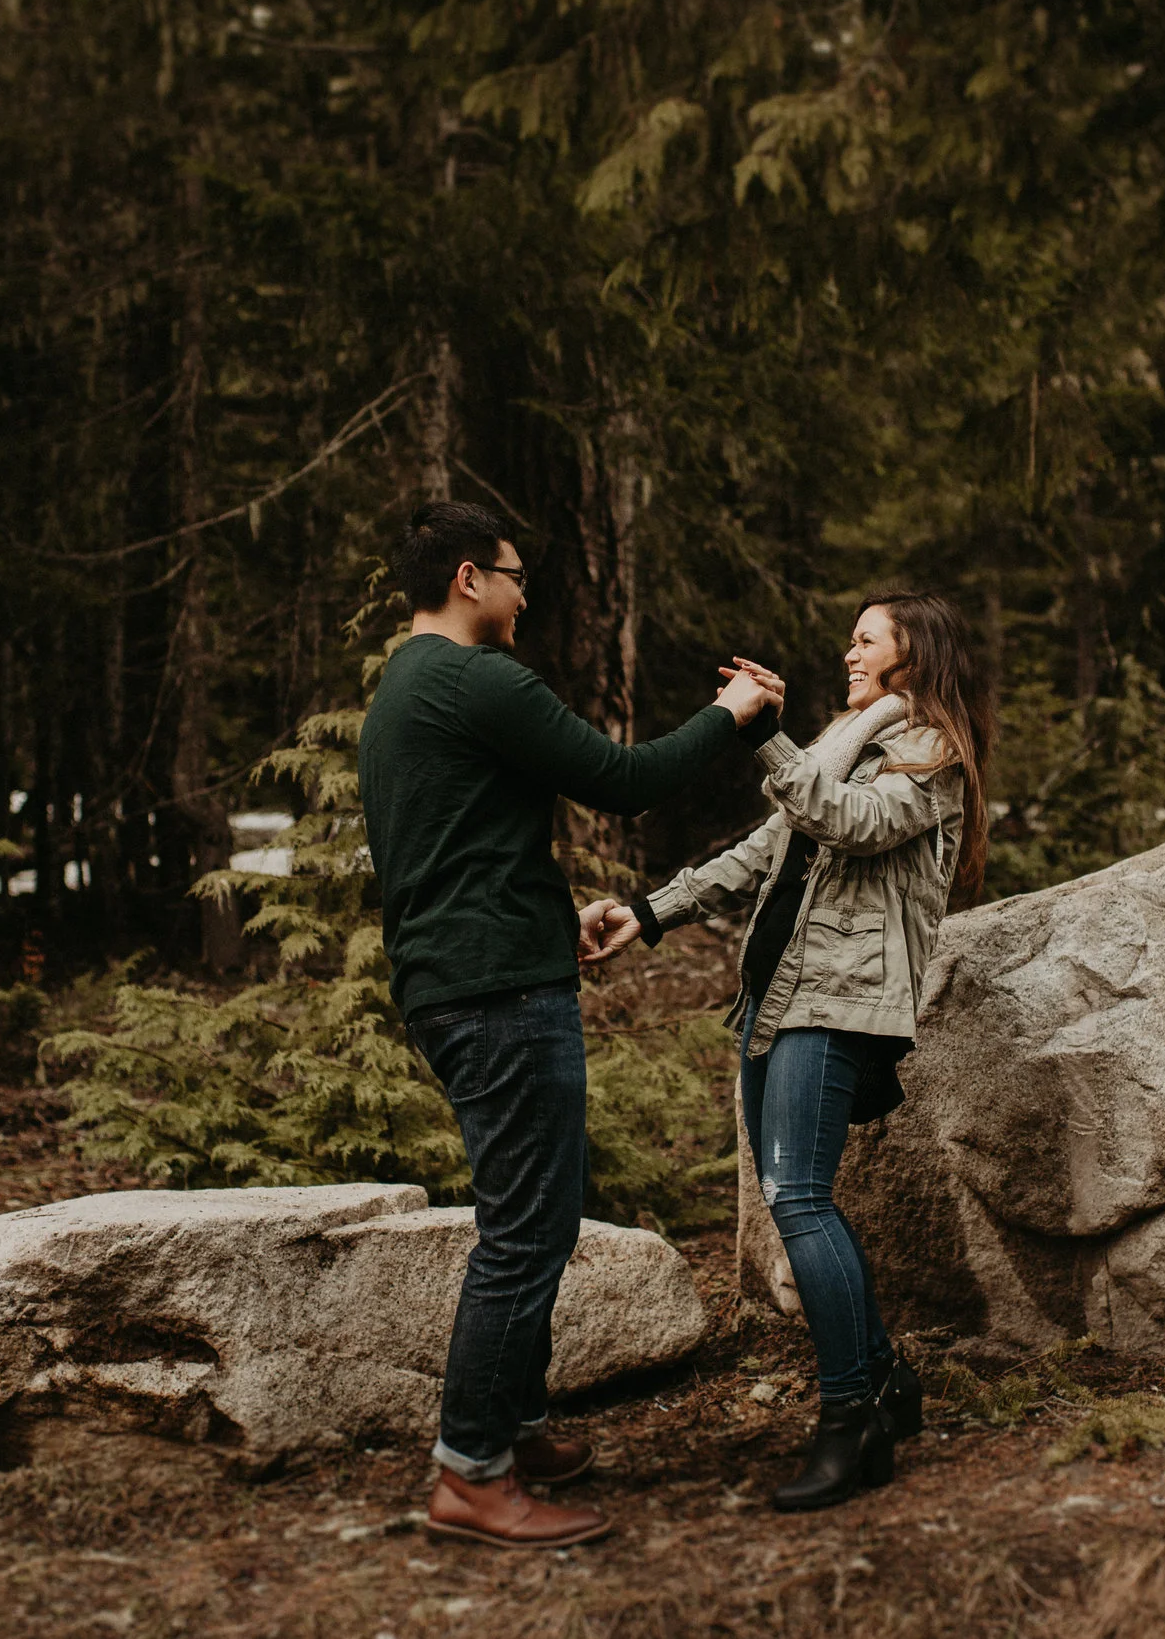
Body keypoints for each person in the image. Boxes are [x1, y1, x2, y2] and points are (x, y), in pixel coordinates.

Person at [358, 498, 782, 1550]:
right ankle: (469, 1472)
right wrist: (731, 715)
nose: (522, 591)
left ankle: (517, 1420)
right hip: (496, 988)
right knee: (524, 1232)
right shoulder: (477, 677)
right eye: (511, 574)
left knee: (534, 1209)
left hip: (461, 976)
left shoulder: (403, 687)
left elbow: (463, 844)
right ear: (467, 580)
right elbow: (621, 781)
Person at [579, 591, 992, 1511]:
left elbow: (848, 821)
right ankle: (883, 1380)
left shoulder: (932, 759)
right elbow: (765, 847)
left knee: (799, 1198)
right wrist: (644, 914)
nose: (848, 654)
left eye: (865, 642)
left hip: (841, 1002)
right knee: (792, 1196)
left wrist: (760, 733)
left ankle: (850, 1415)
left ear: (912, 659)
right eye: (849, 641)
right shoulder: (841, 745)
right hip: (776, 997)